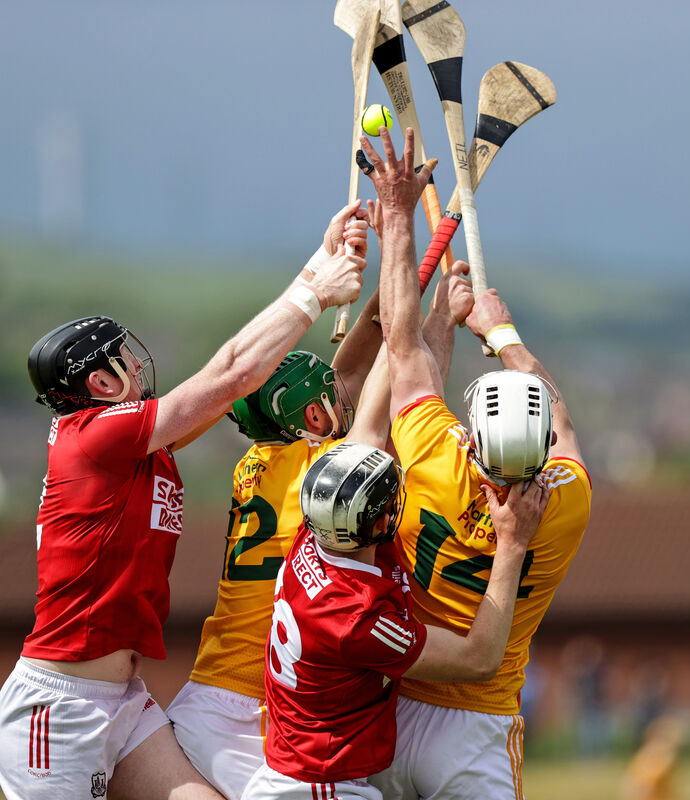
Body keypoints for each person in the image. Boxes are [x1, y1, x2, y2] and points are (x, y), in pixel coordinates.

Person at [0, 204, 368, 800]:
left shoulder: (132, 444)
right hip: (57, 708)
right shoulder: (99, 436)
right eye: (124, 356)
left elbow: (236, 385)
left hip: (123, 701)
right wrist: (314, 292)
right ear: (99, 382)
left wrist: (322, 261)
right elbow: (227, 374)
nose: (139, 363)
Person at [167, 208, 475, 799]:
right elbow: (397, 372)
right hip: (254, 715)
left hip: (203, 694)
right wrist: (424, 292)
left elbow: (354, 371)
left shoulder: (260, 464)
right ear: (312, 419)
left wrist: (358, 276)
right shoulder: (331, 478)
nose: (342, 392)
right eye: (328, 397)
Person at [360, 127, 592, 799]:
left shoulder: (432, 456)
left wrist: (398, 223)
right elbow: (564, 423)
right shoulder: (565, 503)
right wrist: (501, 332)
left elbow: (401, 346)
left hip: (390, 709)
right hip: (477, 726)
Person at [242, 440, 549, 800]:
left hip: (299, 776)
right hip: (320, 787)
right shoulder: (357, 619)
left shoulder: (313, 537)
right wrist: (512, 542)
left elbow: (367, 434)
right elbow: (478, 659)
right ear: (380, 522)